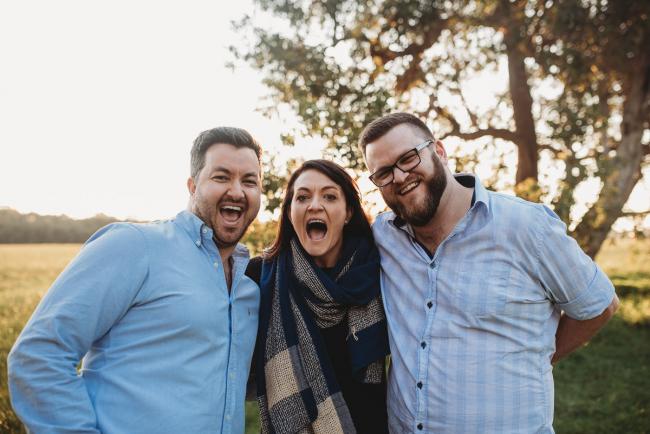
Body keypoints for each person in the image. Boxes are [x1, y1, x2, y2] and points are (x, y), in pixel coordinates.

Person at [358, 112, 619, 433]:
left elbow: (599, 305)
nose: (399, 176)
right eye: (383, 173)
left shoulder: (527, 226)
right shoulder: (383, 237)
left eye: (408, 158)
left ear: (439, 151)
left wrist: (537, 356)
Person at [8, 127, 263, 434]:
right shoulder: (136, 245)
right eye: (221, 177)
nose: (237, 191)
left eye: (249, 181)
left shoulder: (250, 287)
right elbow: (38, 355)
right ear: (192, 185)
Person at [245, 160, 390, 434]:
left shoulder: (376, 273)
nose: (314, 205)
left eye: (329, 196)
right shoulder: (259, 277)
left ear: (348, 212)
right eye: (302, 197)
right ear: (290, 212)